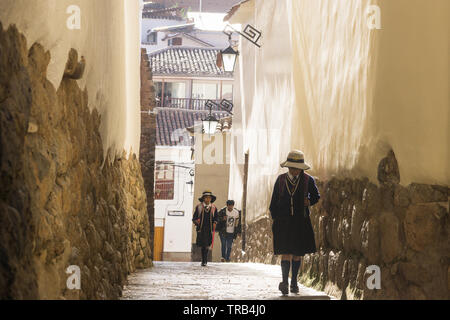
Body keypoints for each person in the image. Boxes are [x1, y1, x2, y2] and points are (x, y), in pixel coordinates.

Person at [269, 150, 320, 295]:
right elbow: (273, 203)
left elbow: (316, 196)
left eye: (297, 168)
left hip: (300, 222)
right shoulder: (280, 180)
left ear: (301, 168)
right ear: (288, 167)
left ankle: (294, 282)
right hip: (283, 222)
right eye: (292, 168)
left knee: (297, 253)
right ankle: (284, 281)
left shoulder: (308, 180)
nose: (295, 171)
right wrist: (276, 220)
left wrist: (309, 201)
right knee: (286, 253)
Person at [192, 190, 219, 266]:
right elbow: (194, 217)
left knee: (207, 245)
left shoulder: (214, 208)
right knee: (203, 245)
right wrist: (196, 221)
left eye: (209, 198)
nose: (207, 199)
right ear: (203, 198)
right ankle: (204, 261)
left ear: (211, 199)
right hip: (201, 229)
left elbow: (216, 217)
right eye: (206, 198)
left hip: (209, 229)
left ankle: (204, 260)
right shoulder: (199, 207)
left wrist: (215, 222)